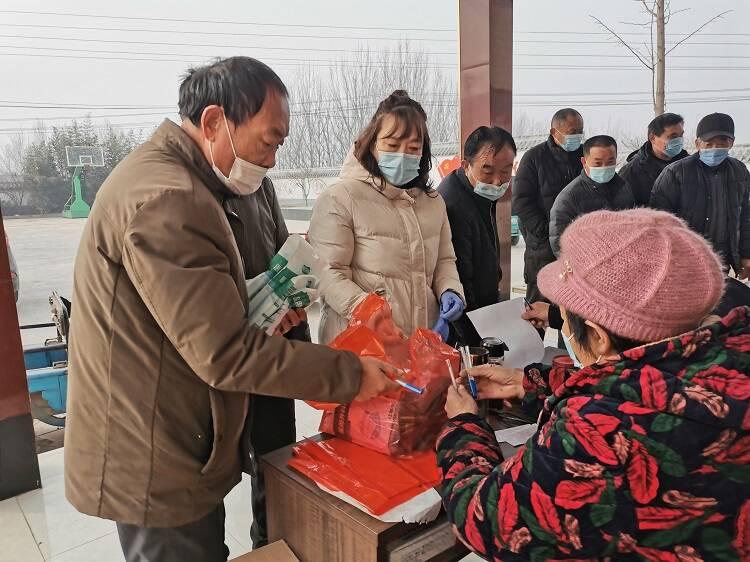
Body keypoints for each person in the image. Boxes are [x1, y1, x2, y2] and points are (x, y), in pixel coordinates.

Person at [64, 57, 398, 562]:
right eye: (269, 140)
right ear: (216, 122)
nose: (273, 159)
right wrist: (350, 374)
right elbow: (223, 352)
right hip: (153, 448)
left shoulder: (215, 181)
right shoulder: (166, 198)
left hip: (187, 426)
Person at [437, 208, 749, 561]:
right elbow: (652, 386)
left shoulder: (594, 432)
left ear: (599, 339)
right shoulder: (732, 350)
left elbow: (487, 523)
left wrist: (463, 427)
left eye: (566, 317)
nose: (564, 328)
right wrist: (533, 384)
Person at [308, 90, 465, 344]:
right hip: (361, 346)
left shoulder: (433, 202)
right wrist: (370, 313)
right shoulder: (341, 197)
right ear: (372, 144)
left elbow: (445, 260)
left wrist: (450, 290)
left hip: (421, 345)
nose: (403, 154)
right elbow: (327, 272)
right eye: (392, 145)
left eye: (413, 147)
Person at [224, 179, 310, 549]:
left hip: (271, 354)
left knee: (274, 466)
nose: (272, 157)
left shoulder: (261, 186)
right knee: (211, 480)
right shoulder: (187, 192)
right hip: (220, 358)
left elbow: (286, 254)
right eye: (269, 140)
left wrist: (293, 313)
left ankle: (269, 545)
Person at [437, 126, 516, 342]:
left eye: (506, 171)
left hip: (482, 311)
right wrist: (476, 342)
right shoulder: (454, 204)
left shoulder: (478, 193)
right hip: (465, 320)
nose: (498, 181)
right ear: (466, 165)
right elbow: (460, 276)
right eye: (488, 171)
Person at [651, 112, 750, 279]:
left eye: (721, 143)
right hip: (685, 261)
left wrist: (746, 253)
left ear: (731, 143)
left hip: (722, 259)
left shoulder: (739, 171)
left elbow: (745, 214)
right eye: (709, 144)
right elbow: (659, 222)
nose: (715, 149)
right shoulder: (676, 173)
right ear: (697, 143)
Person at [512, 108, 584, 303]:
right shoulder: (534, 158)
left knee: (572, 314)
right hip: (542, 251)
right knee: (537, 313)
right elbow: (521, 200)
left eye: (580, 131)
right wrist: (546, 232)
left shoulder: (585, 159)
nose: (577, 137)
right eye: (572, 132)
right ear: (554, 132)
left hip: (577, 250)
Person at [549, 135, 635, 256]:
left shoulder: (624, 187)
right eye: (598, 163)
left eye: (610, 162)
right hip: (586, 266)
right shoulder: (570, 196)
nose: (604, 167)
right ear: (584, 162)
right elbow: (559, 242)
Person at [619, 112, 689, 206]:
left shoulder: (690, 166)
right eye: (673, 136)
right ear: (652, 138)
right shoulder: (631, 172)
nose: (679, 140)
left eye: (681, 135)